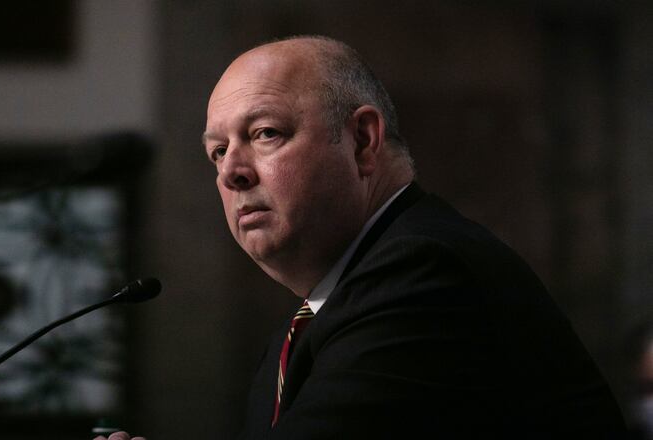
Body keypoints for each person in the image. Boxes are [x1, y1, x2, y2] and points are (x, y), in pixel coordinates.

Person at [101, 35, 626, 439]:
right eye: (218, 151)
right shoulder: (305, 328)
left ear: (362, 141)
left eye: (265, 134)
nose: (231, 172)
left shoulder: (422, 274)